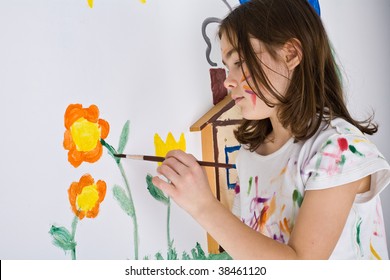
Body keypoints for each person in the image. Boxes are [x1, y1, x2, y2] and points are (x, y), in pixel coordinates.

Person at [152, 0, 390, 259]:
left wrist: (203, 206)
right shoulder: (248, 157)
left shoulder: (339, 149)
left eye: (239, 62)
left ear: (290, 55)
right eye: (226, 66)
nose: (228, 81)